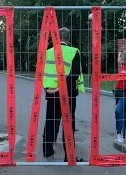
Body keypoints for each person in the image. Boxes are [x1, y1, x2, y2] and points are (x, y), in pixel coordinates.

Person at [42, 27, 86, 162]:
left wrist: (49, 89)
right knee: (68, 123)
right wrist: (60, 87)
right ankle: (69, 155)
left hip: (51, 93)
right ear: (68, 38)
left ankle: (47, 151)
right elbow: (74, 74)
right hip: (68, 94)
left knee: (51, 121)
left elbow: (43, 73)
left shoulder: (48, 52)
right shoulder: (74, 52)